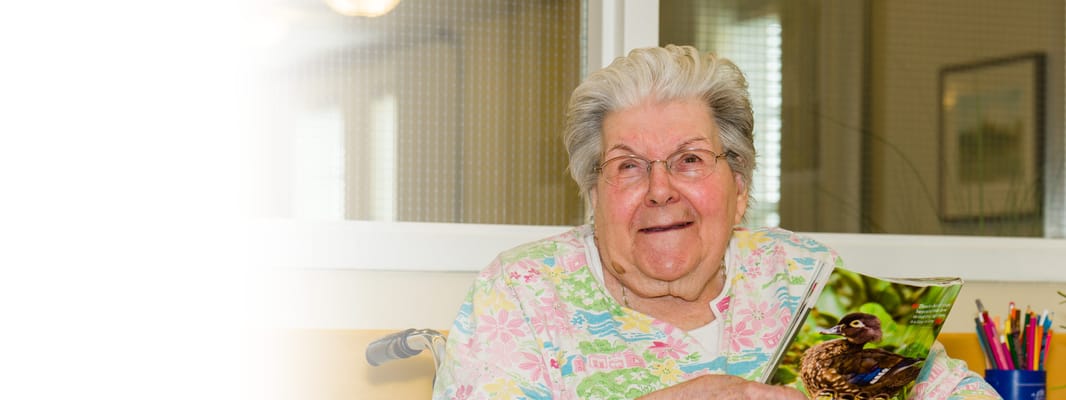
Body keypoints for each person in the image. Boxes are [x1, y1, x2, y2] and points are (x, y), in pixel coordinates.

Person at [432, 45, 998, 399]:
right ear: (593, 193)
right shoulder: (522, 293)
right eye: (628, 166)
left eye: (691, 160)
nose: (660, 189)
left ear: (740, 187)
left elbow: (956, 392)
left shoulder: (803, 274)